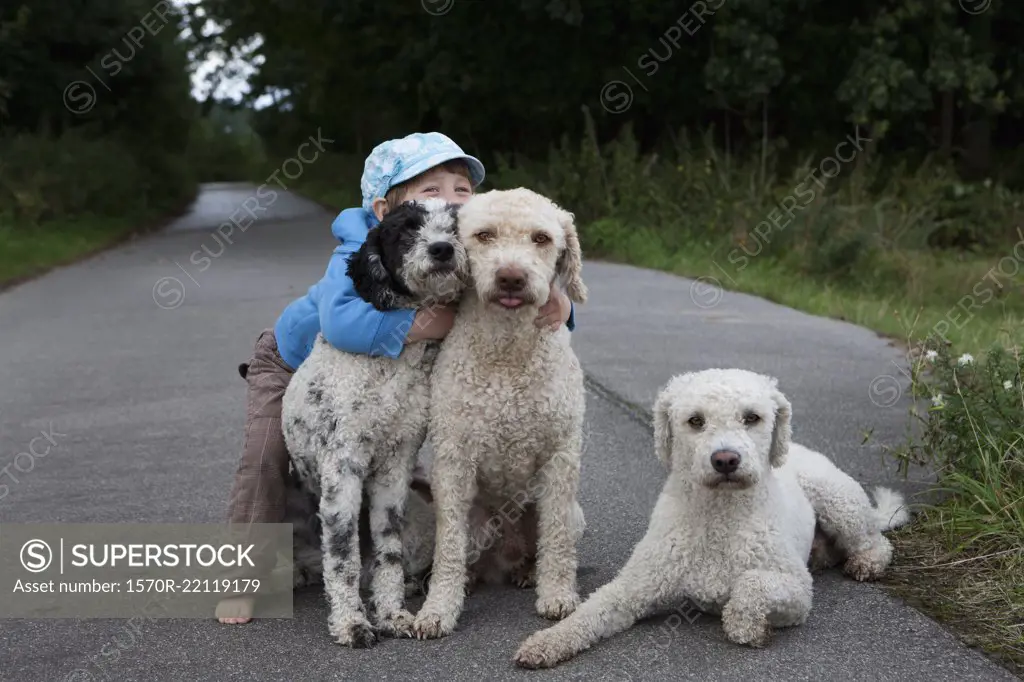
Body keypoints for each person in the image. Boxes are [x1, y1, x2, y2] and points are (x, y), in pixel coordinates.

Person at [217, 132, 576, 624]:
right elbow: (340, 324)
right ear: (386, 207)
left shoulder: (454, 245)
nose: (450, 198)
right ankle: (242, 578)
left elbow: (510, 285)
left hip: (389, 385)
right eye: (432, 189)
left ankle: (402, 554)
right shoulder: (357, 247)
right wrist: (432, 323)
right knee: (266, 463)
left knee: (400, 470)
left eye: (462, 189)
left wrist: (560, 300)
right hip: (290, 363)